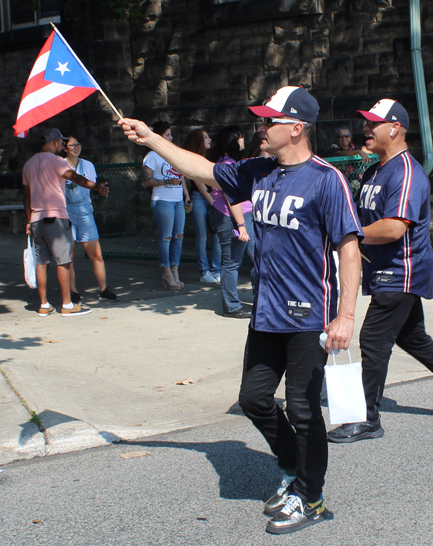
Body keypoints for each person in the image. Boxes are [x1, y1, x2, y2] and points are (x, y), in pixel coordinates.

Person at [118, 85, 363, 535]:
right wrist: (150, 137)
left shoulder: (327, 179)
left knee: (304, 410)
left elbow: (349, 248)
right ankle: (292, 471)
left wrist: (346, 315)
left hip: (310, 315)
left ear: (296, 128)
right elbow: (205, 169)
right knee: (253, 399)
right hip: (266, 310)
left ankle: (312, 499)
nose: (261, 127)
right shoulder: (257, 170)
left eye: (270, 121)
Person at [327, 99, 433, 444]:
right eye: (365, 124)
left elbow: (395, 228)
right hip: (384, 269)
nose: (365, 130)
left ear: (395, 127)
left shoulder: (407, 173)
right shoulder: (374, 170)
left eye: (373, 124)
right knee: (412, 336)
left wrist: (347, 236)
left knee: (372, 338)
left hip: (402, 271)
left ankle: (366, 418)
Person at [22, 128, 109, 317]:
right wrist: (96, 186)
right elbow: (74, 177)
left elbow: (26, 197)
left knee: (42, 262)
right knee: (64, 261)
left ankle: (44, 305)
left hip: (36, 220)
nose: (62, 146)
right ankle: (67, 305)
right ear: (54, 142)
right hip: (57, 218)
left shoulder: (28, 165)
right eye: (62, 143)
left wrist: (28, 220)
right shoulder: (56, 161)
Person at [63, 136, 119, 303]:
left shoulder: (87, 165)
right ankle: (72, 291)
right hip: (67, 211)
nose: (75, 147)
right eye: (71, 145)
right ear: (64, 148)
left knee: (96, 254)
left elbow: (90, 185)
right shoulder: (60, 164)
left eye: (78, 144)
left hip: (85, 210)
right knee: (69, 256)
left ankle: (103, 289)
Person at [208, 125, 253, 319]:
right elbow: (230, 196)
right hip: (231, 217)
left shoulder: (231, 162)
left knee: (258, 257)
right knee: (232, 262)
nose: (243, 140)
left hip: (242, 215)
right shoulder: (226, 164)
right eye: (240, 137)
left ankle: (263, 300)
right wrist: (241, 224)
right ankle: (232, 307)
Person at [143, 121, 191, 290]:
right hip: (163, 201)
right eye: (167, 135)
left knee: (179, 236)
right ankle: (166, 272)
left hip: (178, 200)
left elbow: (182, 176)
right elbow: (147, 180)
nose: (171, 138)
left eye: (171, 134)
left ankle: (175, 271)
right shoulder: (152, 156)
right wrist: (166, 181)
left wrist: (186, 196)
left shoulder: (173, 153)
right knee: (166, 237)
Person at [183, 129, 221, 284]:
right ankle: (204, 271)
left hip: (211, 196)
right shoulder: (192, 159)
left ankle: (216, 270)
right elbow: (199, 184)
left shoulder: (210, 157)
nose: (209, 140)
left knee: (216, 235)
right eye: (205, 137)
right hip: (199, 197)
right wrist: (214, 202)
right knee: (202, 236)